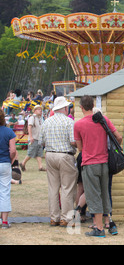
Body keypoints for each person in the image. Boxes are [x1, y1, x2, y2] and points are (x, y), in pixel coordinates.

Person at [74, 96, 122, 237]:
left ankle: (99, 228)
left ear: (81, 107)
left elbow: (80, 148)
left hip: (89, 163)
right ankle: (109, 223)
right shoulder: (104, 120)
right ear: (93, 105)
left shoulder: (78, 125)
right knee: (104, 194)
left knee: (93, 194)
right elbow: (118, 137)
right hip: (104, 163)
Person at [39, 96, 78, 227]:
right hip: (65, 155)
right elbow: (73, 141)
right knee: (67, 187)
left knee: (53, 187)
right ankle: (66, 218)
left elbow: (41, 142)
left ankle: (54, 217)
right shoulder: (69, 122)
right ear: (65, 108)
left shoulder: (46, 122)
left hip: (50, 155)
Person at [0, 109, 17, 228]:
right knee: (5, 191)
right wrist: (10, 160)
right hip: (5, 163)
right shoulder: (9, 132)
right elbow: (13, 151)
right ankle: (5, 221)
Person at [20, 105, 46, 172]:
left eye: (41, 109)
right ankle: (23, 163)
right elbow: (29, 127)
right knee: (31, 153)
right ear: (35, 110)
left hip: (39, 138)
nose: (40, 111)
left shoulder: (40, 119)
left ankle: (40, 167)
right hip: (34, 138)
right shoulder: (32, 118)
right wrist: (30, 136)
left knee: (39, 153)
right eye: (39, 109)